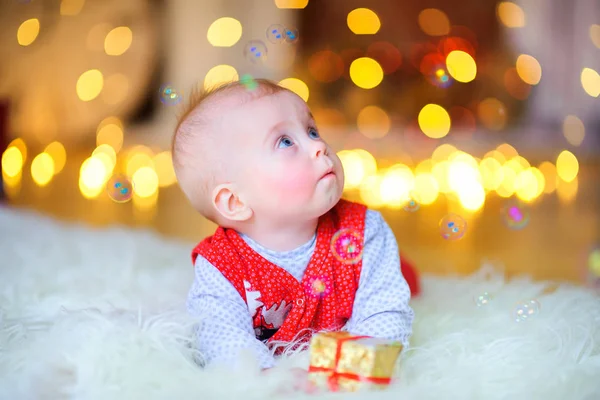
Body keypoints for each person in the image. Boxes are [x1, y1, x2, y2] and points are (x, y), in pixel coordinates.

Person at [171, 78, 418, 390]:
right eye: (285, 142)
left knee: (403, 283)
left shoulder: (363, 231)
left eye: (312, 131)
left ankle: (406, 271)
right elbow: (218, 333)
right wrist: (268, 377)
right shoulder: (221, 265)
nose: (319, 145)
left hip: (368, 280)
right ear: (235, 202)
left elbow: (384, 313)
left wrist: (346, 369)